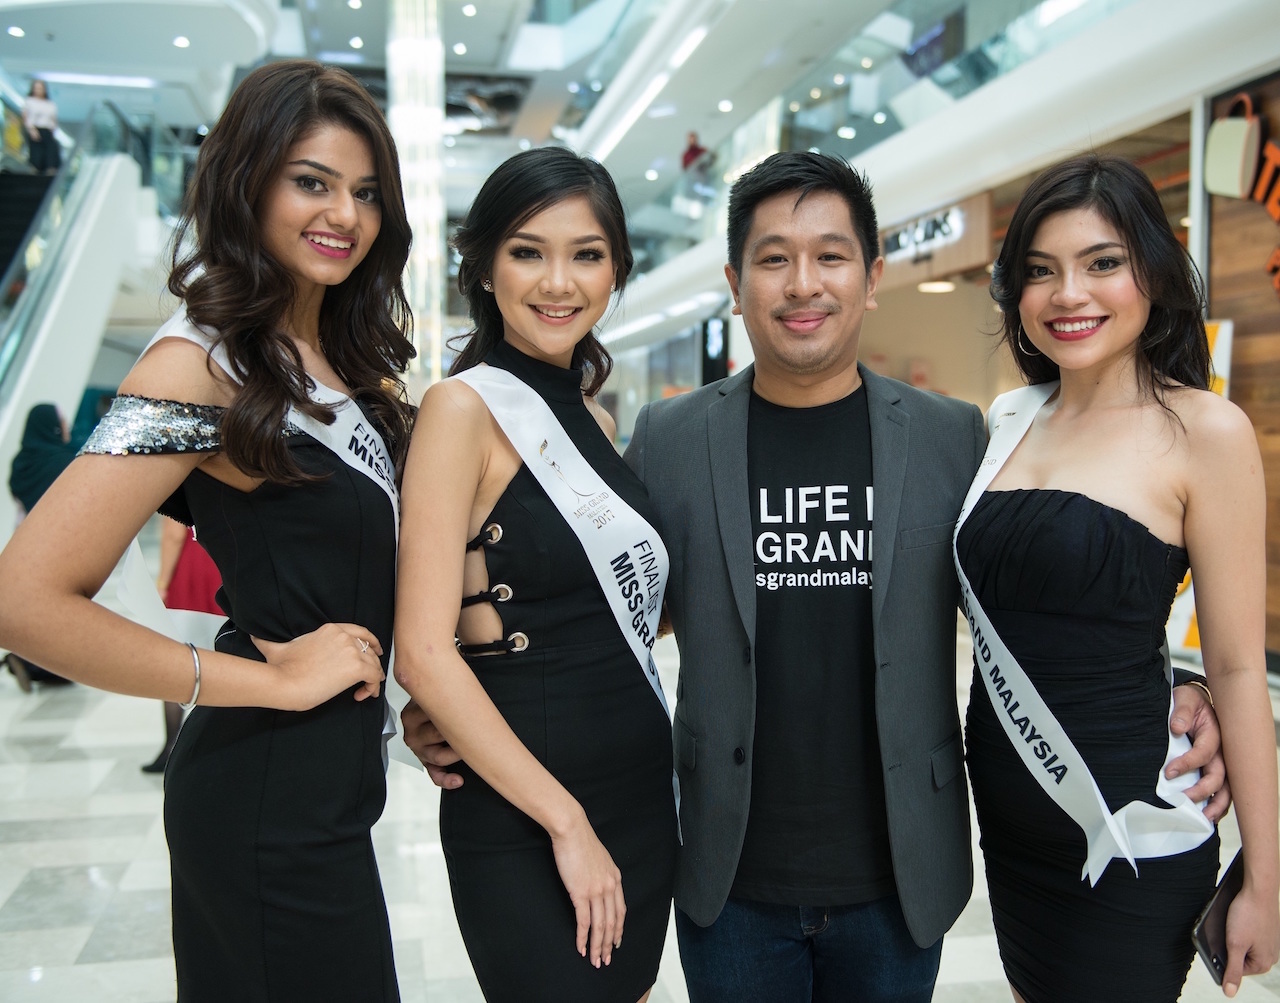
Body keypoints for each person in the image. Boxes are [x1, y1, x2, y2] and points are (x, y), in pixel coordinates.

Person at [405, 151, 1227, 1001]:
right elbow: (609, 608)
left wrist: (1185, 683)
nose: (804, 284)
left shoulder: (955, 437)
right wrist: (457, 695)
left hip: (899, 879)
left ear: (871, 277)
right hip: (726, 880)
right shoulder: (670, 437)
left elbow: (1041, 599)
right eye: (772, 259)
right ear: (734, 281)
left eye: (831, 256)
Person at [0, 59, 413, 1001]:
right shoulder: (200, 366)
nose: (343, 213)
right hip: (262, 797)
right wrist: (263, 679)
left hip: (331, 789)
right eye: (311, 181)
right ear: (248, 179)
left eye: (365, 192)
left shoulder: (337, 361)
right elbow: (20, 599)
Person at [956, 153, 1279, 1002]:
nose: (1070, 294)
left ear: (1153, 270)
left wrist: (1267, 884)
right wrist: (1177, 675)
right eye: (1040, 270)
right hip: (1013, 820)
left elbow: (1243, 668)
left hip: (1133, 826)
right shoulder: (1010, 421)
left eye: (1103, 262)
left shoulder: (1206, 429)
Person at [393, 145, 678, 1003]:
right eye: (528, 251)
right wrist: (566, 823)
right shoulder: (461, 408)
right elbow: (424, 652)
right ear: (481, 265)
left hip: (636, 793)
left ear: (617, 270)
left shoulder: (590, 412)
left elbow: (616, 607)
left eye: (586, 254)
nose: (559, 282)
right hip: (530, 810)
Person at [140, 517, 223, 774]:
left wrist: (162, 583)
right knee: (222, 658)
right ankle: (215, 747)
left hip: (190, 575)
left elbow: (174, 534)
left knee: (176, 661)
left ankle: (171, 746)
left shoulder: (178, 482)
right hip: (220, 567)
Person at [4, 403, 76, 689]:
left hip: (25, 542)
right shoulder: (65, 461)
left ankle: (26, 658)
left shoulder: (20, 462)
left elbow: (20, 502)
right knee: (62, 606)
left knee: (35, 607)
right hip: (60, 543)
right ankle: (49, 666)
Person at [23, 80, 60, 175]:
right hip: (35, 129)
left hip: (47, 130)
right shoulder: (29, 101)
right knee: (37, 154)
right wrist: (31, 130)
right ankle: (35, 170)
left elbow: (53, 119)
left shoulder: (50, 104)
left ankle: (50, 171)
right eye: (36, 88)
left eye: (40, 88)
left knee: (50, 151)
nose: (38, 90)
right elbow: (26, 117)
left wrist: (53, 130)